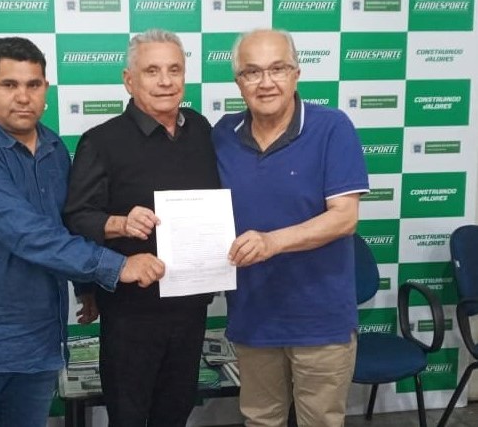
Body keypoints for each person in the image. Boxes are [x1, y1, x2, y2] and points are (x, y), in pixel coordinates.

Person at [0, 36, 165, 427]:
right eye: (9, 85)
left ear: (46, 89)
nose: (23, 97)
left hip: (38, 340)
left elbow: (65, 221)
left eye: (33, 84)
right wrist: (117, 266)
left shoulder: (53, 146)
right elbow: (27, 233)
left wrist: (85, 286)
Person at [211, 29, 370, 427]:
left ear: (296, 73)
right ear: (238, 82)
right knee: (261, 420)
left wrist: (273, 242)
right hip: (253, 314)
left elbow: (345, 217)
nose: (266, 82)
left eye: (277, 69)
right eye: (252, 72)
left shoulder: (332, 127)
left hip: (320, 318)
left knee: (320, 421)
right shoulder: (222, 135)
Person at [63, 29, 221, 427]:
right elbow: (76, 216)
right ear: (129, 80)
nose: (165, 81)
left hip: (191, 307)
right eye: (152, 71)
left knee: (176, 410)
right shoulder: (101, 141)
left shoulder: (201, 129)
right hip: (131, 314)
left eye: (174, 70)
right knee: (129, 416)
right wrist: (119, 223)